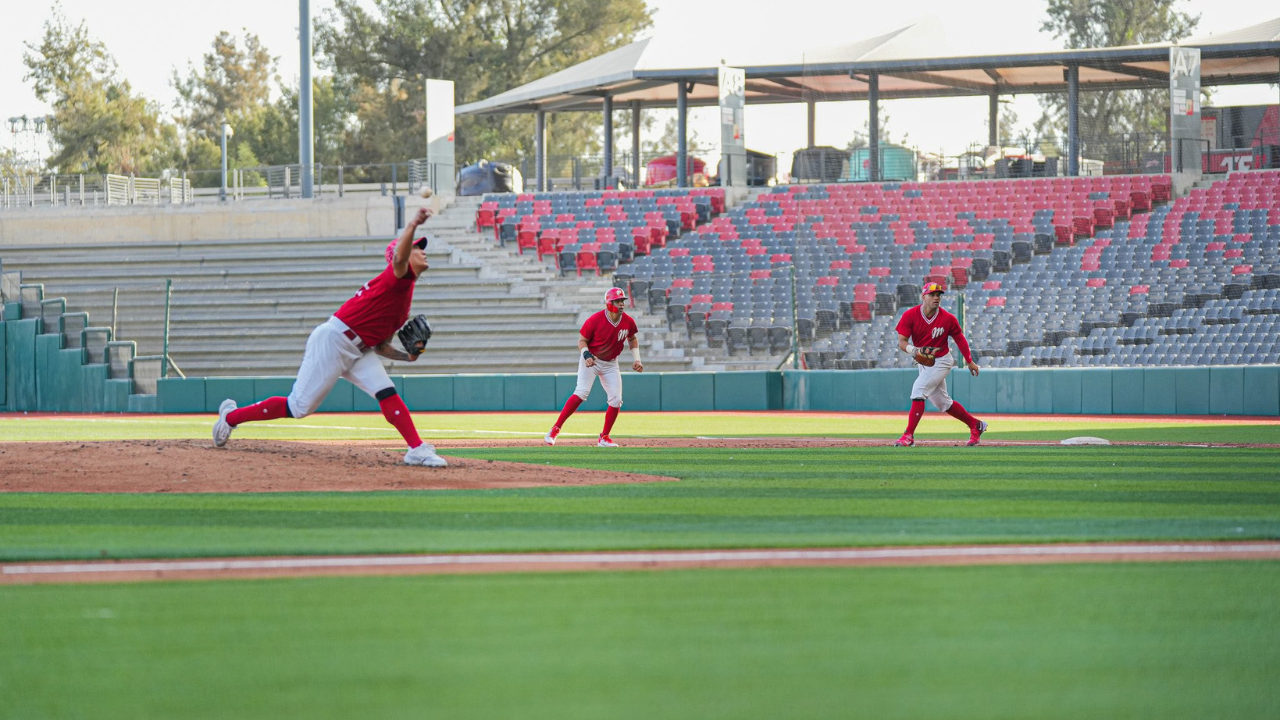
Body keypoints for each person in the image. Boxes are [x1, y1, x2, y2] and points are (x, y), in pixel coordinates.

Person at [212, 207, 448, 467]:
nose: (423, 250)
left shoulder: (403, 300)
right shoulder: (396, 278)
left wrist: (409, 357)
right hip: (334, 340)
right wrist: (413, 223)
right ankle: (231, 418)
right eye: (417, 247)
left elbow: (380, 345)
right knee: (299, 407)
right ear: (402, 255)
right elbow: (400, 259)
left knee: (387, 392)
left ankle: (416, 448)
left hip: (360, 349)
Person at [544, 287, 643, 447]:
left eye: (622, 301)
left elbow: (632, 338)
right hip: (592, 360)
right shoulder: (595, 319)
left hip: (611, 363)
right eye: (617, 301)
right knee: (581, 392)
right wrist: (586, 355)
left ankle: (604, 437)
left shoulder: (628, 321)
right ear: (608, 303)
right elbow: (582, 340)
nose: (621, 304)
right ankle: (555, 429)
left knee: (616, 400)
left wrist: (637, 359)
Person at [893, 281, 987, 447]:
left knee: (918, 390)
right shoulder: (910, 315)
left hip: (942, 360)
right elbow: (902, 342)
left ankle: (908, 435)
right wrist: (914, 350)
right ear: (924, 297)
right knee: (942, 402)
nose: (936, 297)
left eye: (938, 295)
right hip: (923, 362)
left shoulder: (947, 319)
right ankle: (976, 425)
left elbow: (960, 339)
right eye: (932, 294)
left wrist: (970, 361)